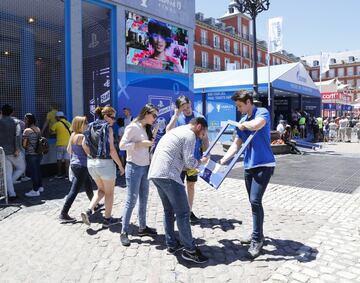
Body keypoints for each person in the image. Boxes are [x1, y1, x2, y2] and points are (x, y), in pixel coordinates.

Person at [219, 90, 275, 259]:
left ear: (249, 102)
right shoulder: (242, 120)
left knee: (255, 200)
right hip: (249, 166)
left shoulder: (261, 112)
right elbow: (236, 145)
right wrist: (223, 160)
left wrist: (244, 125)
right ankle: (257, 233)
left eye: (240, 105)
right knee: (254, 203)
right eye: (237, 106)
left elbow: (258, 124)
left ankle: (257, 240)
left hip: (264, 164)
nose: (239, 109)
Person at [148, 117, 209, 264]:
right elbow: (189, 162)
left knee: (168, 210)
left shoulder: (177, 130)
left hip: (156, 173)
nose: (201, 138)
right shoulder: (190, 135)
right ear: (199, 127)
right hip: (169, 175)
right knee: (183, 212)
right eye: (203, 135)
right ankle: (190, 250)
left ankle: (171, 244)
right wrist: (201, 161)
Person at [119, 104, 159, 246]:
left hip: (145, 167)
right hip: (134, 167)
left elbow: (146, 146)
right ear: (146, 113)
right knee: (131, 200)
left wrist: (149, 143)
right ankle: (124, 231)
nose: (155, 118)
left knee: (144, 198)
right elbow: (122, 145)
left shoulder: (144, 127)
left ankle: (142, 227)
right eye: (153, 115)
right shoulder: (132, 126)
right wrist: (139, 144)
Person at [166, 95, 209, 224]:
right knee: (178, 187)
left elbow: (205, 138)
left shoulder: (199, 118)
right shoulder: (177, 118)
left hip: (193, 159)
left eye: (188, 107)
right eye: (184, 109)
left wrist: (206, 153)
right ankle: (178, 211)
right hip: (179, 161)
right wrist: (175, 114)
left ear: (191, 104)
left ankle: (189, 211)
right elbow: (168, 131)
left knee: (191, 185)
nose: (187, 110)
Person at [81, 106, 125, 228]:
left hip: (92, 163)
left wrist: (91, 155)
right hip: (105, 164)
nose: (114, 120)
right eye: (112, 117)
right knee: (109, 193)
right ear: (105, 116)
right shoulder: (108, 128)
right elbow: (111, 150)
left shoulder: (90, 126)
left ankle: (88, 210)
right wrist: (121, 166)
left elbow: (84, 144)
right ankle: (107, 219)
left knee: (101, 190)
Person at [59, 116, 95, 222]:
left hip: (75, 164)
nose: (87, 124)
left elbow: (69, 150)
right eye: (85, 123)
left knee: (88, 185)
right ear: (80, 125)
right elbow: (88, 151)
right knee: (74, 191)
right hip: (81, 165)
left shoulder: (73, 135)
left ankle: (94, 204)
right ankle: (64, 213)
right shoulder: (81, 136)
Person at [0, 104, 25, 200]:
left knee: (8, 173)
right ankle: (8, 189)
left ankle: (11, 193)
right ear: (12, 112)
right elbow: (17, 136)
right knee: (21, 168)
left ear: (2, 112)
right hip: (13, 151)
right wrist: (17, 148)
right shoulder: (15, 122)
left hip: (2, 151)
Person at [22, 113, 44, 197]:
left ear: (27, 120)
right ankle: (40, 187)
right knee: (38, 170)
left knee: (33, 172)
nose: (24, 121)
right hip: (39, 153)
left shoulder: (27, 131)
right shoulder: (38, 129)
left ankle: (35, 190)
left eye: (25, 119)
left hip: (31, 154)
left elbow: (24, 144)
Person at [50, 111, 72, 178]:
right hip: (68, 144)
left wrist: (56, 132)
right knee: (67, 160)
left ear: (58, 117)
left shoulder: (57, 124)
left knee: (59, 159)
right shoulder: (68, 123)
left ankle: (59, 174)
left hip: (60, 144)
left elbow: (51, 132)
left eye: (56, 117)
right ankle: (67, 175)